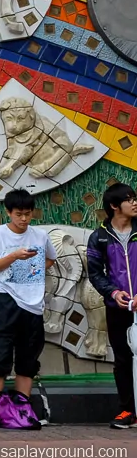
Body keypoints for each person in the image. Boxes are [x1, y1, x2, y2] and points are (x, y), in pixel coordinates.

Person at [0, 188, 56, 429]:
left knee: (28, 359)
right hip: (5, 300)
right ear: (8, 212)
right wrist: (15, 256)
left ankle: (22, 408)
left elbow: (50, 259)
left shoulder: (40, 236)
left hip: (33, 304)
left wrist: (33, 270)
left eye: (27, 214)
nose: (23, 219)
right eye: (18, 214)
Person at [85, 182, 137, 429]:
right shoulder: (100, 237)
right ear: (115, 206)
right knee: (123, 359)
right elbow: (95, 274)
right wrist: (113, 293)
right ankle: (127, 410)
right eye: (130, 199)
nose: (135, 202)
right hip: (118, 308)